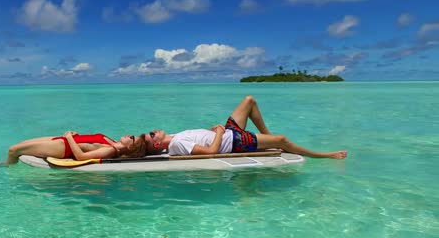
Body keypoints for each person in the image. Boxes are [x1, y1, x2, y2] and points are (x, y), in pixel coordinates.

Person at [144, 95, 347, 159]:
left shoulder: (172, 136)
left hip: (228, 134)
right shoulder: (177, 144)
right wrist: (220, 133)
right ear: (157, 143)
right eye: (152, 134)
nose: (154, 130)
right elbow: (211, 153)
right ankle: (324, 155)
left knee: (249, 100)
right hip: (235, 142)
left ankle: (269, 138)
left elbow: (201, 139)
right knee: (283, 140)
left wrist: (214, 131)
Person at [5, 131, 147, 165]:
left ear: (130, 147)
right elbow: (90, 141)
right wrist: (75, 135)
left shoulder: (110, 150)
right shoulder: (113, 142)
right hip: (61, 140)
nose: (129, 135)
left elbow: (81, 157)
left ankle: (8, 168)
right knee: (19, 145)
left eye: (132, 138)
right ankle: (8, 163)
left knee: (14, 150)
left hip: (62, 147)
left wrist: (69, 138)